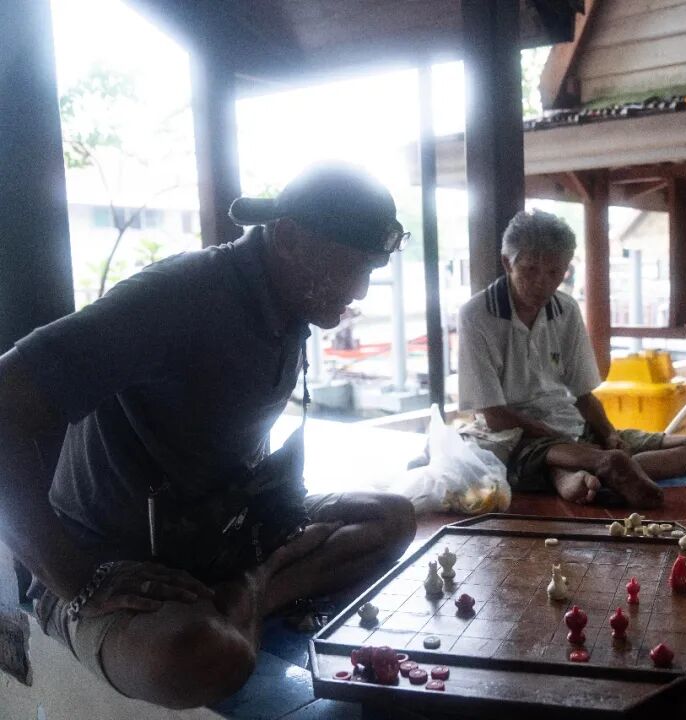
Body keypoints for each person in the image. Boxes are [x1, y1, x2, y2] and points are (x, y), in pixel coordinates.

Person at [0, 165, 417, 709]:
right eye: (352, 268)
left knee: (392, 520)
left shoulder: (288, 302)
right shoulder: (179, 297)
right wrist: (74, 578)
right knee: (202, 660)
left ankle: (250, 588)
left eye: (371, 270)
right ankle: (249, 594)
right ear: (289, 238)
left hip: (224, 534)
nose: (359, 291)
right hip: (117, 561)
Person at [456, 209, 686, 508]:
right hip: (517, 439)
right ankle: (593, 468)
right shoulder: (476, 316)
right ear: (506, 263)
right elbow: (494, 416)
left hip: (575, 433)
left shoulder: (565, 310)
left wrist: (609, 434)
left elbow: (583, 395)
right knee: (543, 455)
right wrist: (560, 439)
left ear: (566, 269)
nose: (541, 283)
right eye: (530, 270)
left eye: (554, 273)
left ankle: (595, 472)